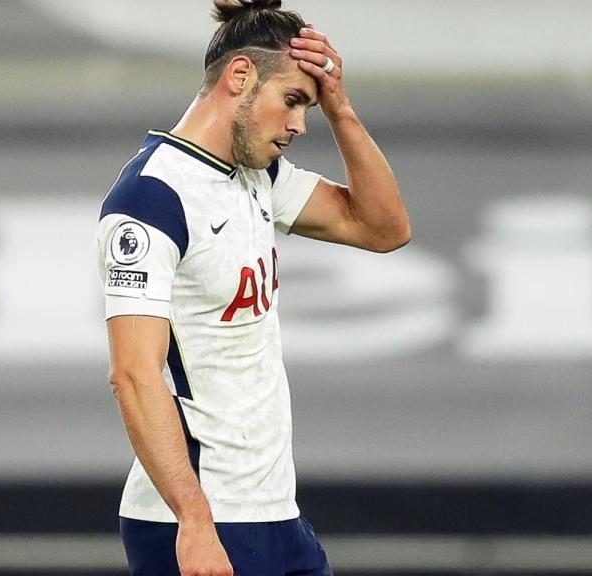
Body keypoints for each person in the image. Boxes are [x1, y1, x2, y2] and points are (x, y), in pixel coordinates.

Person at [96, 0, 410, 574]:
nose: (299, 125)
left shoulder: (257, 175)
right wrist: (195, 520)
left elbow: (384, 227)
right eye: (293, 101)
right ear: (239, 77)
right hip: (199, 520)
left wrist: (339, 106)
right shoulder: (150, 199)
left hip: (275, 513)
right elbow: (134, 375)